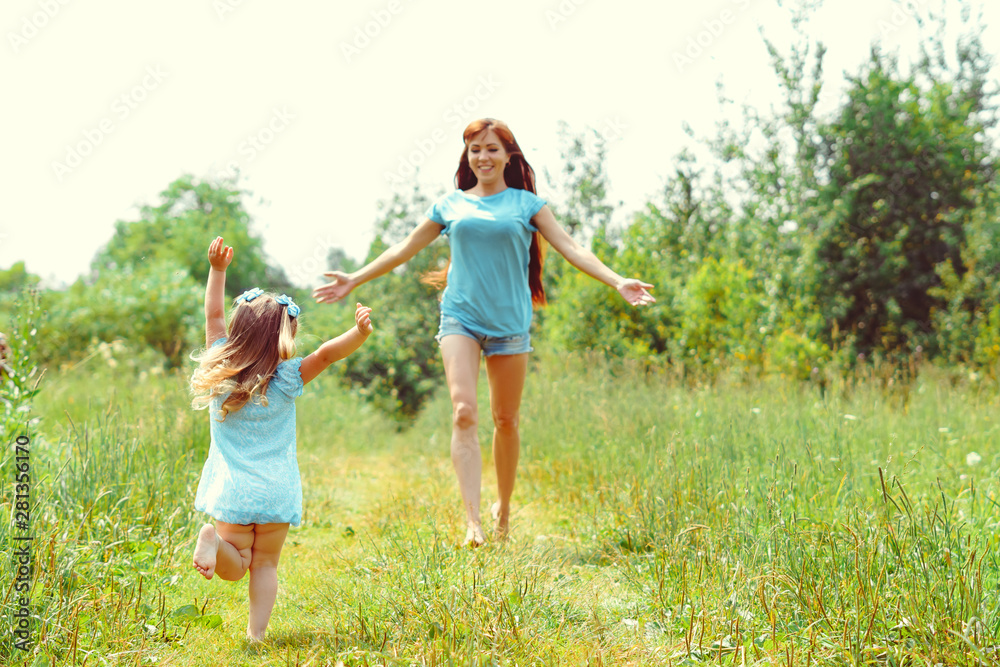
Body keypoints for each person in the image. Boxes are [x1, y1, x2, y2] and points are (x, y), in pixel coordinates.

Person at [312, 118, 654, 546]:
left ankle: (503, 508)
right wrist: (355, 279)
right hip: (461, 318)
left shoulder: (527, 205)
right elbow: (403, 248)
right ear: (466, 156)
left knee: (506, 420)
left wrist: (617, 279)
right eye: (475, 149)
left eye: (492, 148)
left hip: (511, 324)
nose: (483, 157)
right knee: (464, 412)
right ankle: (473, 522)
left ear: (509, 154)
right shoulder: (450, 205)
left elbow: (571, 247)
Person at [190, 236, 373, 641]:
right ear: (284, 334)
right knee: (265, 565)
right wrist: (357, 333)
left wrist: (218, 270)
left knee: (235, 563)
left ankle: (215, 544)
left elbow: (214, 315)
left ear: (240, 330)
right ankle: (257, 636)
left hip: (233, 492)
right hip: (275, 492)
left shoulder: (220, 369)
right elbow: (326, 354)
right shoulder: (288, 378)